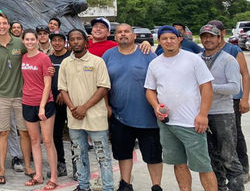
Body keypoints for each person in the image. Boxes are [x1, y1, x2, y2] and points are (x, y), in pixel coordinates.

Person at [145, 25, 217, 191]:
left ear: (179, 40)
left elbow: (207, 87)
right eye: (164, 38)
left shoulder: (193, 60)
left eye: (172, 38)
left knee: (203, 166)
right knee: (179, 164)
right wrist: (156, 106)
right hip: (167, 124)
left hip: (192, 123)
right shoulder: (154, 63)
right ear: (159, 41)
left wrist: (203, 115)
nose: (168, 41)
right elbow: (149, 90)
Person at [102, 24, 163, 191]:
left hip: (147, 115)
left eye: (126, 31)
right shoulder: (108, 55)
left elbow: (160, 79)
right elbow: (102, 84)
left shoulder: (147, 53)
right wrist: (107, 106)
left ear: (134, 36)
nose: (123, 34)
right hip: (119, 114)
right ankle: (125, 183)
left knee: (153, 155)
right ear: (115, 37)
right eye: (119, 32)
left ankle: (156, 185)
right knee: (123, 152)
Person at [58, 28, 114, 191]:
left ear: (86, 41)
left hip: (96, 117)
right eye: (72, 39)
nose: (75, 42)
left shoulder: (97, 62)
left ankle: (108, 187)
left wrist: (84, 108)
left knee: (102, 155)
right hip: (75, 117)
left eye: (79, 39)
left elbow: (103, 87)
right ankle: (83, 186)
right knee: (78, 154)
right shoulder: (66, 63)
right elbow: (63, 89)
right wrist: (73, 108)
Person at [0, 13, 33, 182]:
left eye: (4, 23)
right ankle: (2, 169)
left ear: (9, 25)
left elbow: (33, 58)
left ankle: (28, 166)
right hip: (2, 96)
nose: (2, 26)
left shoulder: (20, 43)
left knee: (24, 132)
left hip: (21, 95)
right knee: (3, 132)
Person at [199, 24, 243, 191]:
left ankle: (236, 187)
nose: (207, 39)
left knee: (229, 157)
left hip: (223, 114)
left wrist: (209, 87)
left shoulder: (228, 60)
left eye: (211, 36)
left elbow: (234, 87)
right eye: (204, 36)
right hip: (201, 114)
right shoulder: (196, 58)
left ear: (219, 38)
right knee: (211, 158)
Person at [208, 18, 250, 182]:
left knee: (235, 134)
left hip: (232, 100)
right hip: (212, 102)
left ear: (222, 33)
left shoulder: (232, 50)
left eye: (216, 31)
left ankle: (244, 167)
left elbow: (245, 74)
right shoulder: (206, 51)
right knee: (218, 140)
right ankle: (221, 173)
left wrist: (245, 98)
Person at [19, 29, 58, 189]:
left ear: (37, 40)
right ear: (23, 41)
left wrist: (42, 106)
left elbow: (47, 83)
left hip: (45, 104)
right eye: (27, 39)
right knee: (34, 141)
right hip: (27, 102)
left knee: (48, 141)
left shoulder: (44, 58)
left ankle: (54, 177)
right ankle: (38, 175)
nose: (30, 42)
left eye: (32, 39)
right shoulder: (23, 57)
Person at [48, 30, 71, 178]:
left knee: (75, 135)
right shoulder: (48, 58)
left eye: (60, 40)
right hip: (53, 102)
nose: (57, 43)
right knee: (56, 135)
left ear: (65, 42)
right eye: (54, 40)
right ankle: (60, 164)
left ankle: (78, 166)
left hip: (70, 101)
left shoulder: (71, 57)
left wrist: (65, 93)